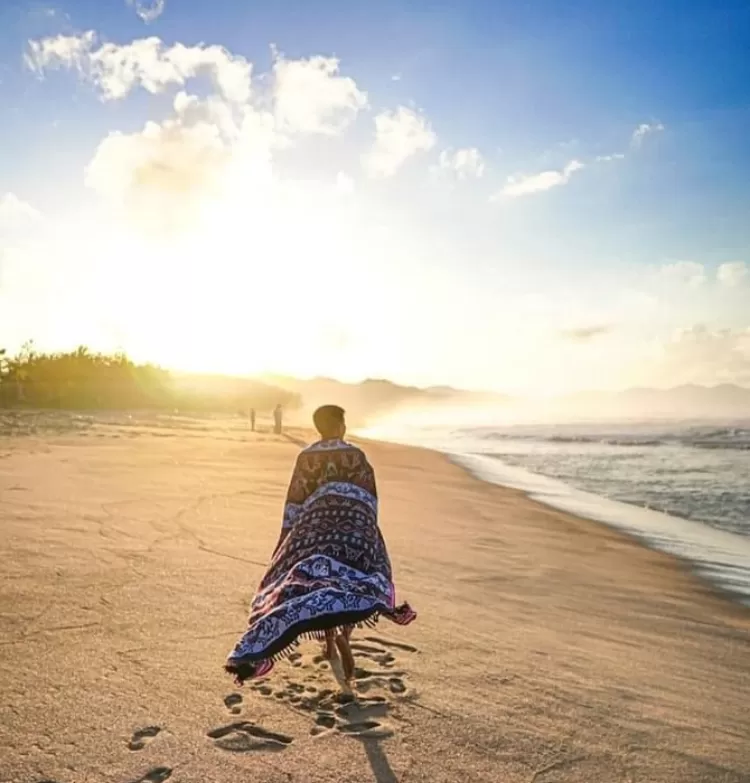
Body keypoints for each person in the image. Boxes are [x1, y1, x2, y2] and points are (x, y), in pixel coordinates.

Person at [225, 404, 416, 685]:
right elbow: (368, 498)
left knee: (316, 579)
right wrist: (368, 532)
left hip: (313, 528)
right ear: (340, 426)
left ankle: (327, 639)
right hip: (353, 528)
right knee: (359, 578)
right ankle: (344, 634)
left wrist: (288, 538)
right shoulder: (356, 455)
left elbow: (296, 500)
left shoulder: (306, 457)